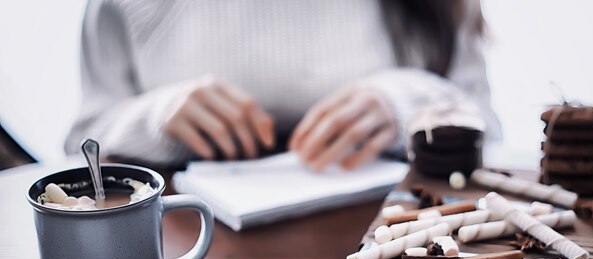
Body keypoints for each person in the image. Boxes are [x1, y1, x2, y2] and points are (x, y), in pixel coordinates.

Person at [65, 0, 501, 171]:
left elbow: (489, 131)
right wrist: (155, 118)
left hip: (400, 256)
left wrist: (405, 102)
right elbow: (80, 145)